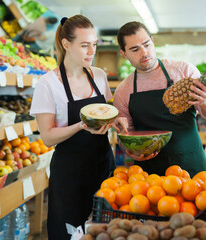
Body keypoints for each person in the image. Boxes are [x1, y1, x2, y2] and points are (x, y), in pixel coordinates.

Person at [29, 15, 127, 239]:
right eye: (84, 45)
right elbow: (48, 137)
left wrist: (116, 121)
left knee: (105, 231)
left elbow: (105, 114)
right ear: (66, 44)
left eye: (93, 45)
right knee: (70, 233)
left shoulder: (100, 76)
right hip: (70, 175)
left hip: (104, 167)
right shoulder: (48, 84)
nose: (91, 51)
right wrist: (81, 126)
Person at [113, 21, 206, 177]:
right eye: (135, 49)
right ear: (124, 53)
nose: (144, 52)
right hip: (149, 174)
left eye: (146, 44)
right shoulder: (123, 90)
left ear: (152, 41)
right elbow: (125, 133)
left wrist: (205, 100)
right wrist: (130, 151)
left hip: (190, 164)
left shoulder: (184, 71)